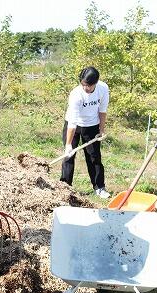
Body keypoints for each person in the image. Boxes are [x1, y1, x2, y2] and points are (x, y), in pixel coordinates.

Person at [60, 66, 110, 199]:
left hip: (92, 126)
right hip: (73, 126)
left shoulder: (103, 88)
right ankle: (65, 187)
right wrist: (68, 145)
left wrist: (101, 130)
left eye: (88, 86)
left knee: (94, 158)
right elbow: (72, 121)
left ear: (95, 83)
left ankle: (99, 187)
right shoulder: (76, 94)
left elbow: (102, 110)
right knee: (68, 156)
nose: (85, 88)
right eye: (83, 84)